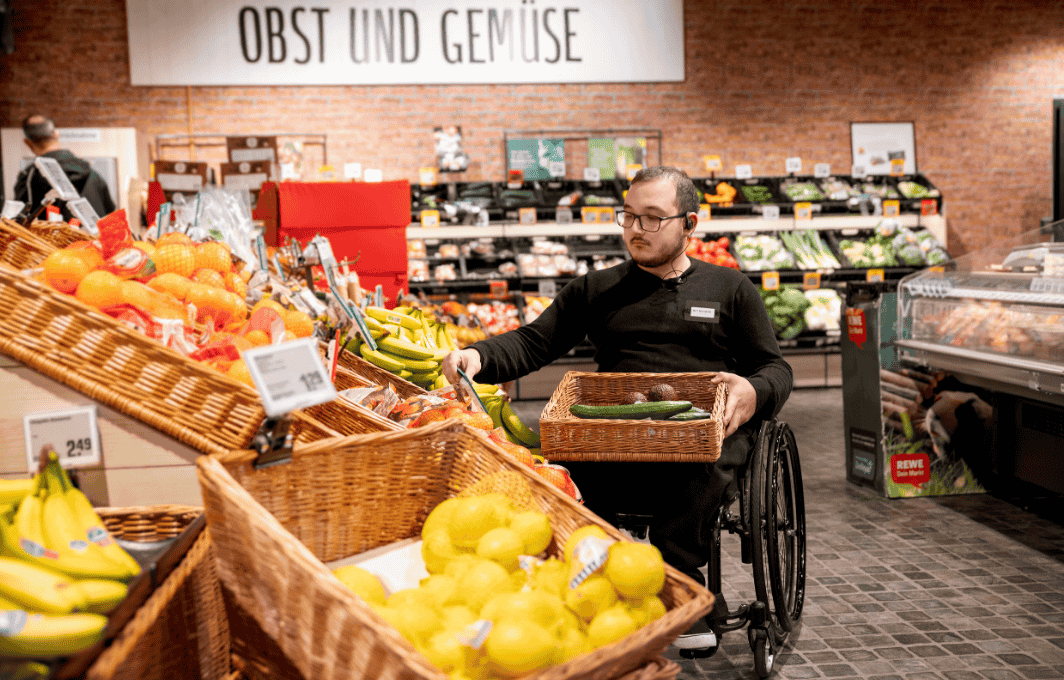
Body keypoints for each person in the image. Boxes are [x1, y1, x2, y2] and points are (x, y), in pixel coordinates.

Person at [442, 166, 793, 650]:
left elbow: (775, 368)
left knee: (700, 467)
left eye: (652, 218)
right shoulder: (597, 289)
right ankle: (600, 579)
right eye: (628, 216)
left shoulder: (730, 290)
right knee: (563, 462)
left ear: (689, 225)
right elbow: (533, 342)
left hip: (702, 435)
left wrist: (754, 392)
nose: (635, 230)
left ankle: (678, 581)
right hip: (615, 431)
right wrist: (477, 356)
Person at [13, 114, 116, 221]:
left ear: (28, 143)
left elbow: (19, 222)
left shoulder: (30, 177)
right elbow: (110, 214)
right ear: (56, 134)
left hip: (52, 238)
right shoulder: (92, 173)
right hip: (94, 237)